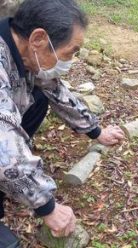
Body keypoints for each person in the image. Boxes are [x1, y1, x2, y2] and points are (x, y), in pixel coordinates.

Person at [0, 0, 125, 246]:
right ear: (38, 39)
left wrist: (96, 131)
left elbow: (56, 91)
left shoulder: (21, 50)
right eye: (70, 52)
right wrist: (47, 207)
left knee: (36, 99)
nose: (69, 60)